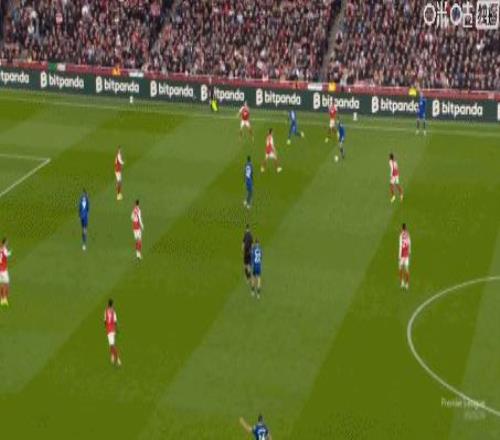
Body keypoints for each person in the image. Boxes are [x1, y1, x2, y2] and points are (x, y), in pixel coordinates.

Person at [104, 299, 122, 366]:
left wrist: (107, 327)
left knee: (112, 345)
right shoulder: (113, 312)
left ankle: (118, 359)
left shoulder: (106, 311)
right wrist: (116, 329)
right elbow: (115, 321)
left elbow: (105, 321)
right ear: (112, 304)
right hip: (112, 330)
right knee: (111, 345)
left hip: (110, 331)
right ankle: (112, 356)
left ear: (108, 304)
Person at [399, 223, 411, 290]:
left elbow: (400, 246)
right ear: (406, 228)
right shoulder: (408, 234)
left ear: (402, 228)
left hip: (402, 255)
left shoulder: (401, 235)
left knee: (400, 268)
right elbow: (409, 243)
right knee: (407, 269)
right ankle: (407, 284)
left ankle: (402, 283)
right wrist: (409, 251)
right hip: (406, 255)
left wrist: (399, 255)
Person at [0, 238, 12, 307]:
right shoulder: (4, 249)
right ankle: (5, 299)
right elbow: (7, 255)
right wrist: (10, 252)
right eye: (7, 242)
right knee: (7, 284)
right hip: (4, 270)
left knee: (1, 284)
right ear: (4, 243)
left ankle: (1, 299)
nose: (7, 243)